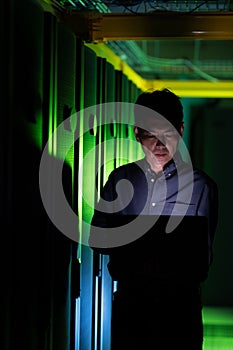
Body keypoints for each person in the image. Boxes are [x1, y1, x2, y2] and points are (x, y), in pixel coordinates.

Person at [89, 88, 218, 350]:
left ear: (180, 131)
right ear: (136, 133)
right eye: (151, 134)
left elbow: (201, 261)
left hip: (180, 310)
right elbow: (97, 238)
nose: (159, 145)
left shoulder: (202, 186)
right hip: (131, 305)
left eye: (167, 134)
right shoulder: (120, 179)